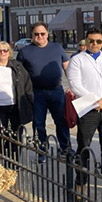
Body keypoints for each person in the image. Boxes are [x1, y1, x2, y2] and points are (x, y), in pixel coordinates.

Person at [67, 28, 102, 194]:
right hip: (88, 109)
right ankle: (81, 182)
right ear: (86, 41)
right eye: (91, 41)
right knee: (84, 145)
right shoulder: (77, 60)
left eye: (98, 41)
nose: (95, 44)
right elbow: (75, 84)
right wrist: (95, 101)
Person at [17, 21, 71, 158]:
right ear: (32, 35)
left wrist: (73, 87)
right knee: (39, 123)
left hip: (56, 91)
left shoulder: (57, 48)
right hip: (36, 92)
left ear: (47, 34)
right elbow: (19, 75)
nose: (40, 36)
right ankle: (42, 150)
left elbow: (68, 69)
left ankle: (65, 148)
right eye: (36, 34)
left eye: (43, 33)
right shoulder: (24, 51)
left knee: (61, 121)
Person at [0, 41, 33, 163]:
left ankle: (12, 164)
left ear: (9, 52)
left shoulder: (17, 66)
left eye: (6, 50)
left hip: (15, 106)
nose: (3, 53)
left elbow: (27, 85)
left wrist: (28, 101)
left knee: (17, 136)